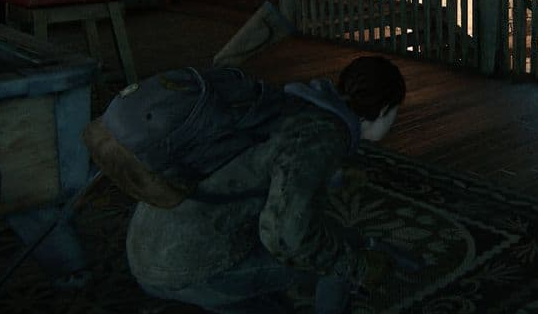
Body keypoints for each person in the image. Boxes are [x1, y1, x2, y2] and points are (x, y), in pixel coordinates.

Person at [84, 55, 405, 314]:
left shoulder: (290, 102)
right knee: (336, 260)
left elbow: (261, 163)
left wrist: (332, 177)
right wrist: (355, 265)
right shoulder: (324, 135)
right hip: (183, 268)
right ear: (384, 110)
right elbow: (285, 237)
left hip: (148, 245)